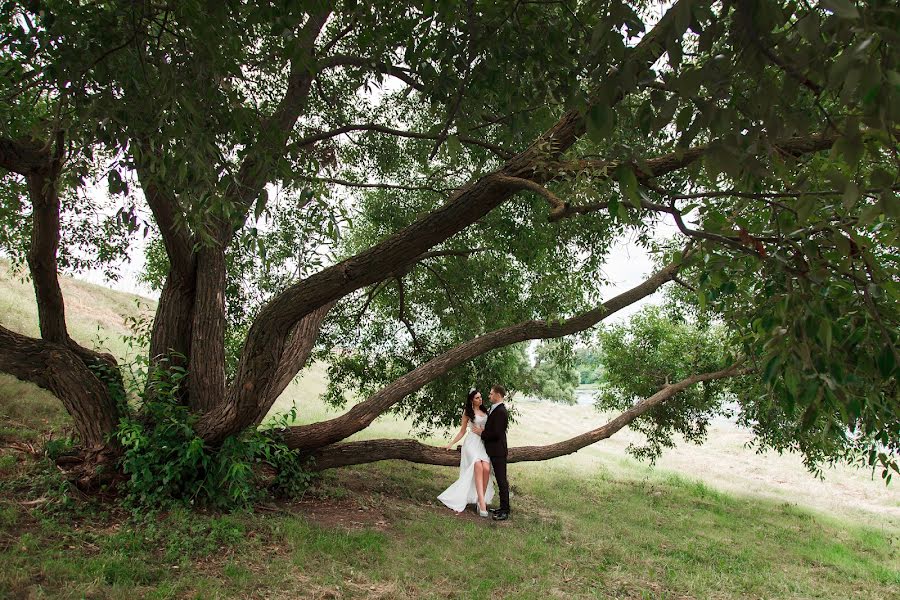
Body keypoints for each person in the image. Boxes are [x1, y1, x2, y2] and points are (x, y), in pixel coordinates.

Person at [437, 389, 494, 517]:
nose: (480, 400)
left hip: (482, 443)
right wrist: (450, 444)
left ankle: (481, 499)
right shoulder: (468, 412)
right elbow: (462, 431)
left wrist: (485, 431)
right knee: (478, 465)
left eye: (480, 397)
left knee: (486, 467)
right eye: (477, 398)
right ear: (471, 400)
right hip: (471, 443)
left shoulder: (486, 411)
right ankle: (481, 502)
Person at [473, 384, 510, 521]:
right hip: (493, 450)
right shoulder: (494, 409)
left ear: (498, 395)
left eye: (491, 394)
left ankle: (505, 510)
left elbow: (497, 434)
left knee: (501, 481)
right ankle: (502, 507)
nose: (489, 396)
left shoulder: (501, 411)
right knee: (500, 480)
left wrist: (482, 433)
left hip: (498, 451)